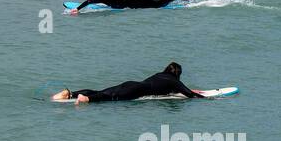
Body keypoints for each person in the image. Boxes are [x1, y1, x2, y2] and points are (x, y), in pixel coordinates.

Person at [52, 63, 202, 103]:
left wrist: (183, 90)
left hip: (131, 83)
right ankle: (87, 99)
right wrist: (209, 99)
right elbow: (189, 95)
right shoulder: (174, 81)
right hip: (136, 91)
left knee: (103, 92)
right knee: (109, 98)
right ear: (177, 74)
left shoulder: (160, 75)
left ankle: (71, 94)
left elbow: (173, 89)